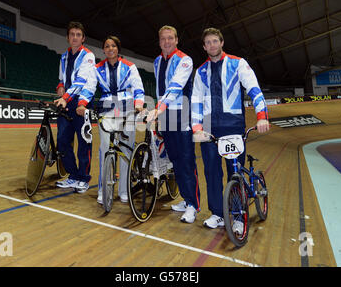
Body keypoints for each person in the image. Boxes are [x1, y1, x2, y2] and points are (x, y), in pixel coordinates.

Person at [191, 27, 269, 231]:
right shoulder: (200, 71)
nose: (212, 45)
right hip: (208, 129)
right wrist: (196, 128)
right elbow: (196, 102)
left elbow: (254, 89)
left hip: (233, 126)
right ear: (204, 46)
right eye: (207, 42)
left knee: (234, 173)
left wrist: (262, 117)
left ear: (222, 42)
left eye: (215, 41)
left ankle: (237, 216)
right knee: (212, 173)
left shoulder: (238, 63)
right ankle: (217, 213)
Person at [77, 35, 145, 204]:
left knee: (126, 150)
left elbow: (138, 87)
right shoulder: (97, 68)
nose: (110, 49)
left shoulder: (130, 66)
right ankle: (103, 190)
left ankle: (124, 190)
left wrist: (138, 104)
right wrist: (81, 103)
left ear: (118, 49)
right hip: (106, 109)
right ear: (104, 49)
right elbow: (89, 88)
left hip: (127, 109)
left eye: (113, 46)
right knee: (105, 148)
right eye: (106, 46)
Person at [146, 25, 200, 224]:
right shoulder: (157, 61)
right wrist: (160, 113)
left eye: (170, 38)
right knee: (175, 161)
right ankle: (186, 200)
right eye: (163, 38)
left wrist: (157, 109)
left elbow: (176, 87)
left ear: (176, 40)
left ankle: (193, 205)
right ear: (159, 41)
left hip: (182, 115)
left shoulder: (185, 60)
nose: (167, 42)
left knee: (187, 161)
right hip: (166, 115)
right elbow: (161, 90)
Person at [54, 21, 96, 194]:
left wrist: (65, 97)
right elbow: (62, 79)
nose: (75, 37)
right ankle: (73, 175)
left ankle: (84, 178)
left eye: (78, 35)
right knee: (63, 141)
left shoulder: (88, 56)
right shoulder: (63, 57)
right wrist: (60, 87)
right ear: (67, 37)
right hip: (66, 103)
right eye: (72, 34)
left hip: (81, 103)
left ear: (83, 38)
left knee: (83, 143)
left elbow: (81, 81)